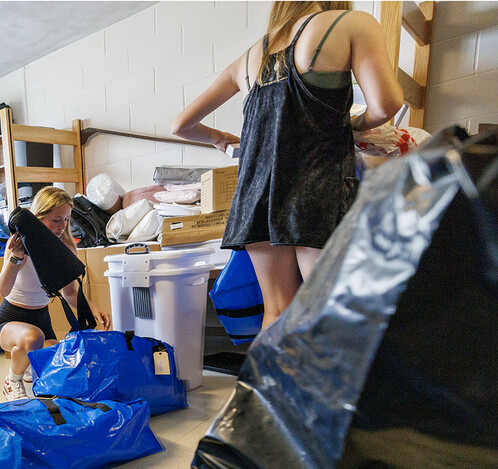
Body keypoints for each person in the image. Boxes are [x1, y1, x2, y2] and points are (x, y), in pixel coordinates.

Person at [171, 2, 402, 330]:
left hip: (257, 197)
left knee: (277, 313)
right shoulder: (352, 23)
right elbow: (386, 104)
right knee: (328, 315)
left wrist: (220, 139)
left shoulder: (251, 57)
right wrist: (356, 125)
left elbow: (181, 125)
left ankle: (270, 383)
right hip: (318, 191)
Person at [0, 186, 111, 401]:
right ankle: (12, 380)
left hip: (42, 320)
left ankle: (28, 367)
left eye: (66, 219)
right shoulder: (20, 245)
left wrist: (94, 309)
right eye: (56, 219)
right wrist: (15, 257)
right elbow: (2, 290)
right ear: (38, 216)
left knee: (55, 354)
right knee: (32, 338)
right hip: (8, 320)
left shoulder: (65, 247)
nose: (62, 226)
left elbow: (70, 292)